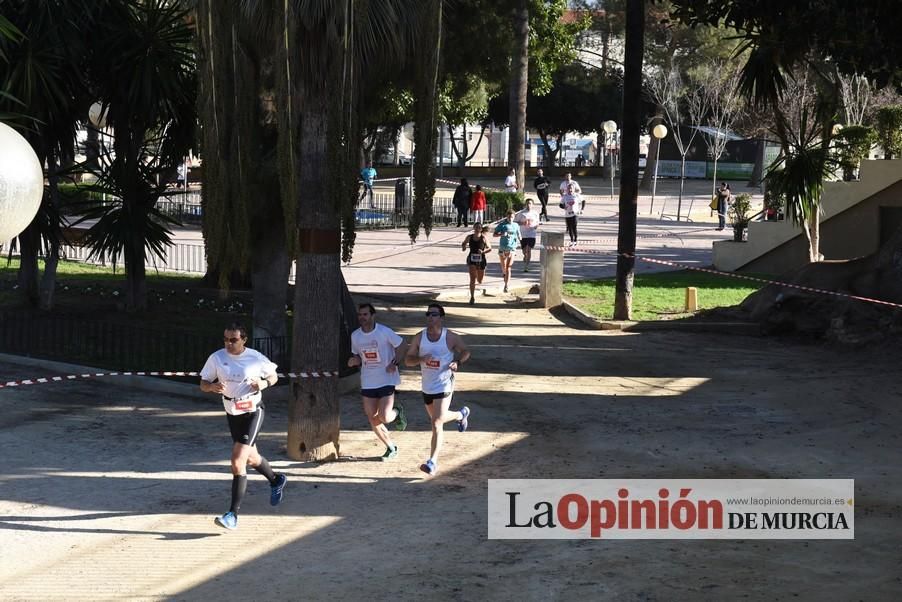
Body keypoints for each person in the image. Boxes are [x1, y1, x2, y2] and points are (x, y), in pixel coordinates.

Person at [200, 323, 286, 531]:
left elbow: (273, 376)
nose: (229, 344)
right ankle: (276, 480)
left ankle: (232, 515)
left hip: (253, 410)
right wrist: (211, 387)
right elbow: (203, 383)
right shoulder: (217, 358)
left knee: (237, 461)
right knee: (252, 458)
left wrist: (263, 384)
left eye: (233, 340)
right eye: (226, 339)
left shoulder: (255, 357)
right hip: (232, 411)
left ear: (243, 340)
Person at [404, 303, 471, 476]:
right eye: (428, 314)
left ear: (441, 318)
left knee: (436, 422)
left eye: (434, 314)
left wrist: (458, 362)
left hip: (444, 383)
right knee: (438, 422)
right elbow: (408, 360)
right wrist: (420, 359)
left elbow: (465, 351)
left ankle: (432, 462)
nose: (430, 317)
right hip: (427, 386)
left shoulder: (450, 337)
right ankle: (460, 415)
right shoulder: (419, 337)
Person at [348, 303, 407, 460]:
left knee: (385, 417)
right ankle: (390, 447)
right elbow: (358, 356)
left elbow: (402, 345)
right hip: (368, 380)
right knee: (373, 418)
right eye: (360, 315)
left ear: (372, 315)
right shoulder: (355, 336)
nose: (362, 318)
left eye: (365, 314)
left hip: (386, 379)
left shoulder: (383, 331)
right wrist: (354, 360)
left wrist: (394, 363)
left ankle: (398, 411)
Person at [461, 221, 492, 304]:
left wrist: (483, 251)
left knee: (480, 280)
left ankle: (479, 276)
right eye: (476, 227)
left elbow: (490, 248)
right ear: (473, 228)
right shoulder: (469, 237)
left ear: (481, 229)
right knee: (472, 279)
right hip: (471, 259)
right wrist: (464, 247)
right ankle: (472, 297)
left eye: (479, 227)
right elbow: (463, 243)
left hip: (481, 260)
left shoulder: (484, 237)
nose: (477, 229)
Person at [493, 209, 522, 293]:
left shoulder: (516, 225)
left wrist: (520, 238)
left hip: (512, 248)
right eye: (509, 217)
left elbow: (518, 233)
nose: (510, 218)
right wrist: (501, 234)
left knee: (509, 267)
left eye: (512, 217)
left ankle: (506, 285)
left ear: (514, 217)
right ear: (506, 217)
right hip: (502, 248)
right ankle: (504, 274)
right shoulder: (502, 225)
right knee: (504, 266)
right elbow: (494, 234)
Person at [514, 199, 540, 272]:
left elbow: (537, 222)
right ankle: (525, 256)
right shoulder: (521, 213)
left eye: (530, 203)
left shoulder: (535, 213)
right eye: (527, 203)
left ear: (533, 205)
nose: (529, 205)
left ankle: (526, 266)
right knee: (524, 251)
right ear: (525, 204)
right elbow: (515, 222)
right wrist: (522, 223)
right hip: (523, 234)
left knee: (529, 250)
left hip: (532, 234)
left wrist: (536, 226)